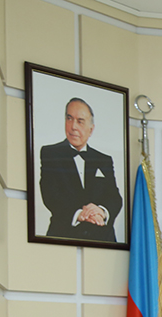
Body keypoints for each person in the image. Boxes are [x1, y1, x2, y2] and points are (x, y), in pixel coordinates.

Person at [40, 97, 124, 242]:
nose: (73, 126)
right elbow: (50, 194)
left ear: (91, 129)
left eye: (80, 121)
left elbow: (114, 197)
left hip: (103, 239)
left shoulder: (104, 159)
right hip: (62, 238)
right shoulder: (50, 153)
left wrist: (101, 212)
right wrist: (79, 214)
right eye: (69, 118)